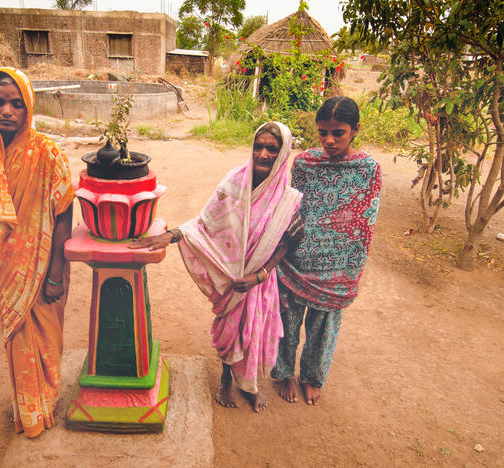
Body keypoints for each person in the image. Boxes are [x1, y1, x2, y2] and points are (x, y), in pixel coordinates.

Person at [130, 122, 304, 412]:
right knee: (230, 330)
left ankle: (249, 385)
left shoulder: (287, 199)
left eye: (271, 149)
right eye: (257, 146)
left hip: (259, 281)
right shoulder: (234, 182)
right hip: (232, 278)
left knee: (256, 331)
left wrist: (259, 276)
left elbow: (286, 243)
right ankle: (226, 379)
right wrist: (171, 236)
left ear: (283, 153)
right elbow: (205, 223)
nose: (262, 154)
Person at [0, 67, 74, 437]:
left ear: (29, 107)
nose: (6, 111)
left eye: (16, 104)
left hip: (43, 269)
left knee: (45, 339)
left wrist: (56, 272)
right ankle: (28, 412)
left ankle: (46, 404)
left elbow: (63, 215)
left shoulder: (48, 153)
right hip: (2, 268)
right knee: (17, 340)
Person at [271, 96, 382, 405]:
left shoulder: (368, 170)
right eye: (322, 133)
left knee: (323, 329)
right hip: (297, 260)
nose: (329, 140)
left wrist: (351, 271)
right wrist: (280, 253)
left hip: (338, 267)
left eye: (338, 133)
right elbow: (292, 208)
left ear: (355, 130)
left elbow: (365, 221)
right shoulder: (305, 163)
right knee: (287, 323)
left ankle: (311, 378)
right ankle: (285, 374)